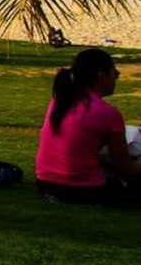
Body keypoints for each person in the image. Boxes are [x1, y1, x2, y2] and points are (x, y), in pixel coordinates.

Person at [35, 48, 140, 206]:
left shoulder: (59, 102)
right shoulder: (107, 113)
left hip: (46, 183)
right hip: (82, 189)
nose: (117, 76)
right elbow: (125, 167)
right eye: (114, 72)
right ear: (100, 75)